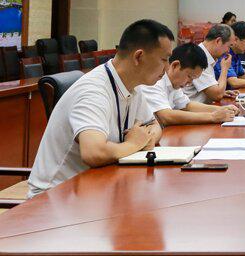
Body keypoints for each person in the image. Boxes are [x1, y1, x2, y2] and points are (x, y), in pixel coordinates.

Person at [27, 19, 172, 197]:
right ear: (138, 57)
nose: (167, 68)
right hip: (55, 197)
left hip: (95, 187)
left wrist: (147, 138)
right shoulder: (94, 91)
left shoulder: (132, 86)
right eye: (164, 59)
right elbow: (93, 152)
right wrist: (134, 144)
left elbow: (154, 125)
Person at [139, 43, 240, 126]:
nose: (190, 82)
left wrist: (222, 109)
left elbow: (187, 105)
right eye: (189, 76)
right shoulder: (154, 81)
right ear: (175, 65)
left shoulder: (174, 82)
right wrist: (213, 116)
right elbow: (166, 116)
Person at [182, 24, 237, 103]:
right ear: (218, 41)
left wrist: (222, 92)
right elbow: (217, 95)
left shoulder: (205, 54)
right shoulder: (198, 57)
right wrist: (225, 69)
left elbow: (213, 91)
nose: (228, 51)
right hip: (191, 109)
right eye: (229, 46)